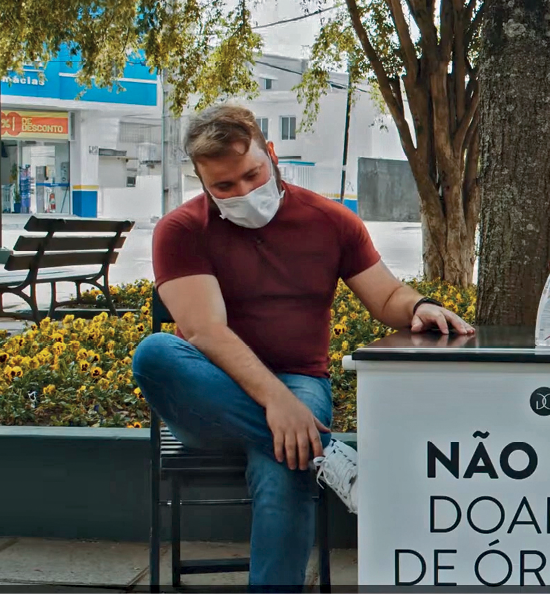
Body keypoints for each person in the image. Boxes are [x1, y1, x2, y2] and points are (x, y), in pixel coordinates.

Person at [132, 104, 474, 589]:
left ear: (270, 153)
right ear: (202, 181)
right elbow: (206, 332)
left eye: (252, 174)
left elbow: (387, 295)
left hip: (300, 379)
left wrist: (419, 306)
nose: (244, 192)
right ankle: (329, 454)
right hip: (214, 395)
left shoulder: (330, 220)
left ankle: (312, 451)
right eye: (224, 187)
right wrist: (278, 404)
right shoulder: (182, 230)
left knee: (284, 467)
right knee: (155, 354)